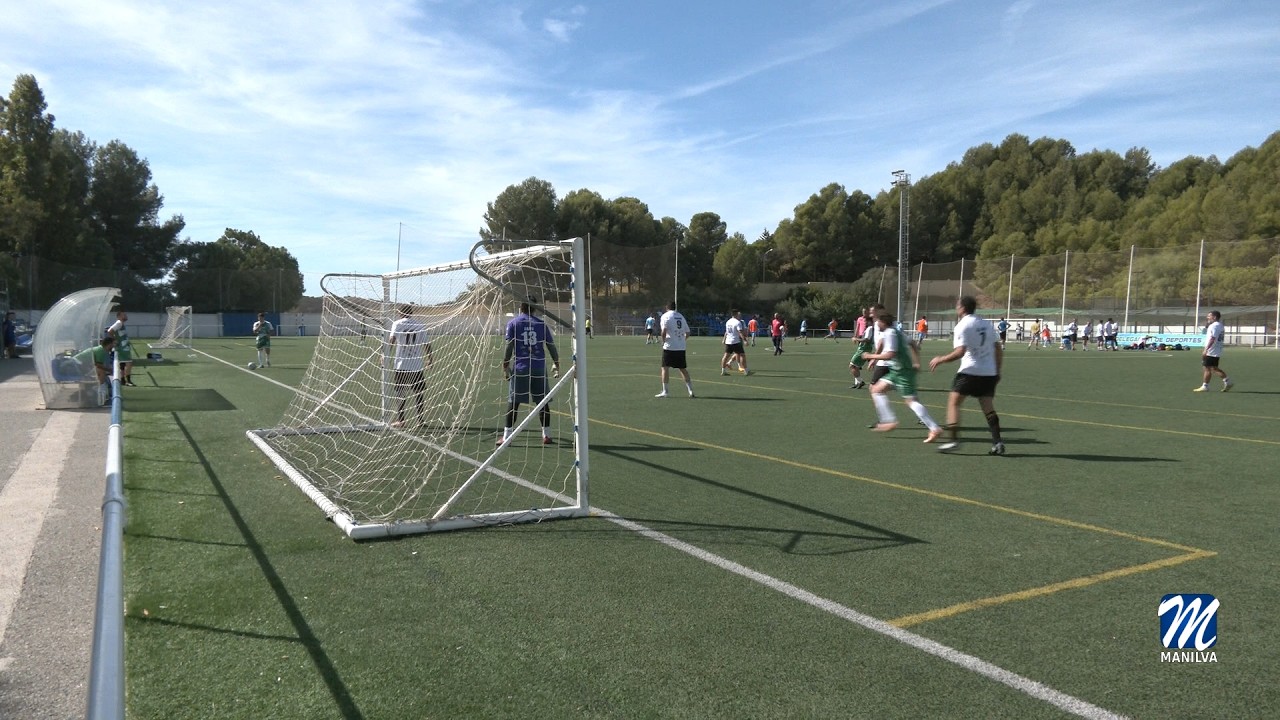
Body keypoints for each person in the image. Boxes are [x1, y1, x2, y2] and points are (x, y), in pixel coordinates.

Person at [929, 295, 1005, 455]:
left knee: (954, 403)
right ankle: (998, 442)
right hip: (989, 372)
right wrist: (997, 371)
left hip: (970, 371)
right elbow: (998, 349)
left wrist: (940, 359)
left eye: (957, 305)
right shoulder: (986, 324)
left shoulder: (962, 326)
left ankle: (953, 441)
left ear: (962, 308)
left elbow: (960, 352)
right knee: (988, 407)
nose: (956, 308)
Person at [862, 312, 943, 442]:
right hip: (896, 372)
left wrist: (870, 356)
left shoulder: (890, 333)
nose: (877, 324)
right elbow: (913, 344)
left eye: (878, 322)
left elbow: (890, 354)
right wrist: (916, 362)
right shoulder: (896, 332)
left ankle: (934, 428)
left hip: (902, 373)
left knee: (912, 401)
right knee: (876, 390)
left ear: (883, 322)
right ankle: (889, 421)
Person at [500, 297, 561, 444]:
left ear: (521, 307)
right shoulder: (541, 324)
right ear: (534, 308)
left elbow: (509, 346)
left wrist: (505, 364)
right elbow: (551, 345)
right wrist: (556, 362)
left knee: (514, 402)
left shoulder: (513, 323)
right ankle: (546, 434)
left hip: (521, 367)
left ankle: (507, 435)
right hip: (539, 367)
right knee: (543, 402)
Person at [388, 304, 433, 428]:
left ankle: (401, 420)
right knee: (418, 393)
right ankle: (420, 420)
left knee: (400, 392)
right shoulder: (420, 325)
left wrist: (384, 356)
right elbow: (427, 344)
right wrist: (430, 359)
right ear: (411, 313)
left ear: (400, 313)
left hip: (401, 365)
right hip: (416, 365)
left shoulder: (397, 324)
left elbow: (391, 341)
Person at [656, 301, 694, 398]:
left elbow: (664, 331)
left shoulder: (665, 316)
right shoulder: (681, 316)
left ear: (666, 307)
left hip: (669, 346)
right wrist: (682, 340)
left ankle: (665, 391)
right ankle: (690, 391)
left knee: (665, 368)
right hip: (681, 347)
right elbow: (688, 332)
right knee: (682, 369)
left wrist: (663, 341)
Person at [1194, 310, 1233, 392]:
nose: (1207, 317)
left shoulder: (1214, 326)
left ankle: (1225, 382)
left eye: (1209, 316)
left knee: (1211, 368)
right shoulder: (1220, 325)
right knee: (1209, 367)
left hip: (1212, 350)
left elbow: (1213, 338)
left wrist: (1206, 349)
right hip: (1217, 349)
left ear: (1214, 317)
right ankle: (1206, 385)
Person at [106, 310, 136, 386]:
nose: (125, 316)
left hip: (124, 346)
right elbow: (110, 331)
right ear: (119, 316)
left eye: (125, 315)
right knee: (129, 363)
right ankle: (128, 381)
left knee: (122, 364)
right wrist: (115, 341)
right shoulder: (119, 323)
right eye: (124, 315)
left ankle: (123, 380)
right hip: (122, 348)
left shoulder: (121, 324)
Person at [720, 309, 751, 376]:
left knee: (725, 356)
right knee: (742, 355)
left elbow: (727, 332)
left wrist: (724, 339)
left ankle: (723, 371)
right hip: (736, 341)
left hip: (728, 341)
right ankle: (746, 370)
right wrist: (745, 340)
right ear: (736, 314)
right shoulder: (737, 322)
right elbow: (740, 332)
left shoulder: (728, 322)